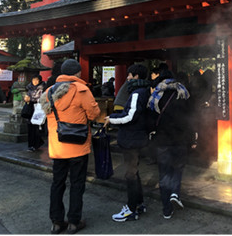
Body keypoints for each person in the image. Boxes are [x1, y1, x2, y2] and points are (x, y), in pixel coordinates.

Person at [41, 59, 100, 234]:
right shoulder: (82, 90)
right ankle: (74, 222)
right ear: (78, 73)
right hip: (78, 146)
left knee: (57, 183)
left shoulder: (49, 92)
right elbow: (94, 114)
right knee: (77, 183)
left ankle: (57, 222)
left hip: (57, 146)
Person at [105, 64, 151, 222]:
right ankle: (139, 203)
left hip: (131, 138)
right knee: (134, 172)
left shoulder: (137, 93)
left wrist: (111, 119)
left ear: (136, 76)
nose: (127, 78)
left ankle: (131, 209)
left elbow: (130, 116)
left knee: (130, 174)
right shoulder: (146, 91)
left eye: (130, 75)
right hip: (138, 136)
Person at [150, 69, 195, 219]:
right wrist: (192, 138)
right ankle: (175, 193)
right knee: (178, 168)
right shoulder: (183, 94)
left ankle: (166, 210)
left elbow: (151, 118)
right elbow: (190, 118)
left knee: (164, 173)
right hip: (180, 138)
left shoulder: (156, 95)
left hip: (162, 140)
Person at [23, 75, 45, 151]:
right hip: (30, 109)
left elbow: (43, 98)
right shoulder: (29, 88)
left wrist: (32, 99)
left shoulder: (43, 88)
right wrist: (26, 99)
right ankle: (31, 145)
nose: (35, 82)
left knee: (36, 128)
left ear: (40, 81)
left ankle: (36, 144)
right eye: (33, 80)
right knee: (30, 127)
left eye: (37, 80)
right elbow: (27, 97)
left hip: (38, 109)